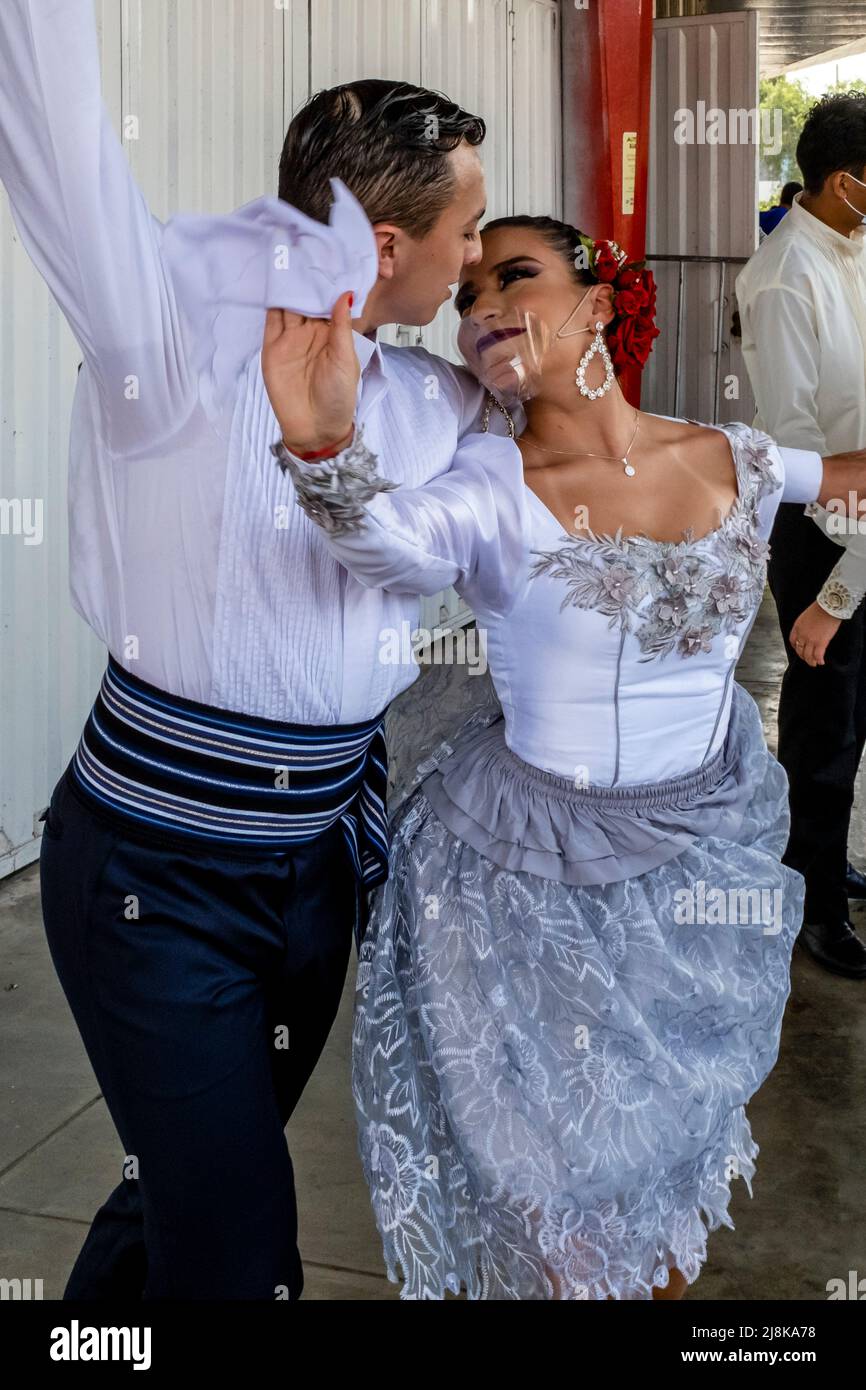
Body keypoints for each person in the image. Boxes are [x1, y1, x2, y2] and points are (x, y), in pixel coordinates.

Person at [0, 0, 516, 1300]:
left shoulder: (429, 402)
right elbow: (56, 134)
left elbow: (554, 457)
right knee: (237, 1252)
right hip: (153, 878)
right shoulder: (165, 347)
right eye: (467, 235)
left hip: (311, 878)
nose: (471, 261)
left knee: (179, 1187)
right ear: (385, 239)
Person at [265, 214, 866, 1300]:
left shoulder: (732, 454)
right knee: (559, 1193)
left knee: (663, 1161)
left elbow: (850, 477)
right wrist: (323, 452)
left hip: (699, 862)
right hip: (526, 883)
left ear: (598, 300)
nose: (484, 304)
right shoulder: (488, 482)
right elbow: (388, 546)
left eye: (516, 277)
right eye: (467, 294)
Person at [737, 92, 866, 979]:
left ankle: (830, 866)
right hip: (827, 523)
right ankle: (811, 901)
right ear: (842, 181)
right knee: (824, 735)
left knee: (857, 721)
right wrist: (839, 589)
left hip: (859, 526)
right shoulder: (787, 278)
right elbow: (799, 448)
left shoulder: (851, 247)